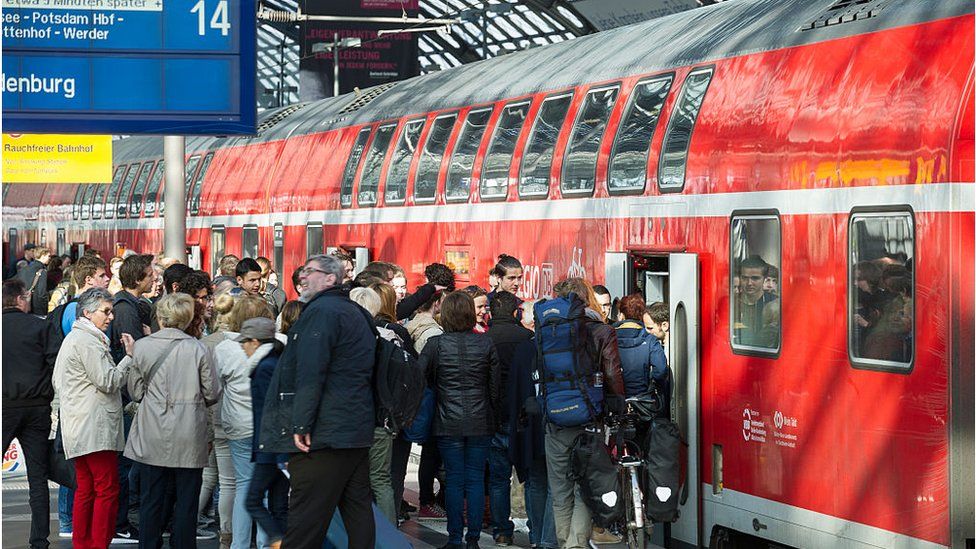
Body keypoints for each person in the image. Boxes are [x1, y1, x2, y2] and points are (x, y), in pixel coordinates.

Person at [259, 254, 377, 548]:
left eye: (310, 272)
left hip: (324, 434)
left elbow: (311, 373)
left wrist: (301, 423)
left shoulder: (321, 313)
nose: (302, 276)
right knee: (358, 513)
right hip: (354, 430)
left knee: (305, 520)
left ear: (330, 278)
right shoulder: (355, 312)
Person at [124, 293, 221, 549]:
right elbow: (212, 393)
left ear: (161, 316)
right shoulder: (199, 348)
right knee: (187, 501)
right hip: (190, 432)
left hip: (152, 432)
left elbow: (135, 391)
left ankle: (149, 544)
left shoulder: (143, 346)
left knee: (152, 499)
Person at [543, 278, 625, 549]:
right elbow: (612, 372)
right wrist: (616, 405)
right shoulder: (602, 331)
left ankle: (566, 543)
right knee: (584, 487)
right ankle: (576, 545)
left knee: (560, 490)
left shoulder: (547, 331)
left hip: (554, 420)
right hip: (589, 419)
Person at [53, 288, 135, 549]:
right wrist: (129, 358)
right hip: (94, 428)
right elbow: (108, 381)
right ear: (87, 313)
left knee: (87, 489)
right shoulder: (88, 341)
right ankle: (97, 544)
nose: (110, 317)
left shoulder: (76, 339)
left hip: (80, 427)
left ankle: (84, 544)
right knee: (106, 489)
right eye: (106, 311)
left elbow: (58, 381)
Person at [420, 291, 500, 549]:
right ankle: (473, 539)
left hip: (447, 421)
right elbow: (495, 388)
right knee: (475, 479)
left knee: (454, 480)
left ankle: (454, 538)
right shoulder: (486, 344)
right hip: (480, 420)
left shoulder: (436, 344)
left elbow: (421, 379)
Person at [215, 295, 275, 549]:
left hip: (238, 426)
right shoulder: (280, 344)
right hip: (271, 428)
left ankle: (238, 544)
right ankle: (265, 543)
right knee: (269, 489)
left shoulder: (224, 349)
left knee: (243, 486)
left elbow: (215, 390)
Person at [3, 278, 58, 549]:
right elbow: (55, 364)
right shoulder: (41, 326)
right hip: (37, 408)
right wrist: (44, 391)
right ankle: (39, 541)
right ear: (21, 299)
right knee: (38, 478)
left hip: (3, 408)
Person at [505, 302, 557, 549]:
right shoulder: (562, 348)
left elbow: (514, 391)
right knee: (557, 484)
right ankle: (548, 539)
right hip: (560, 422)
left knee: (536, 481)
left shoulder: (525, 350)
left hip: (531, 423)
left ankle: (537, 537)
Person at [485, 291, 533, 546]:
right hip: (524, 415)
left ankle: (502, 531)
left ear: (491, 313)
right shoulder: (527, 338)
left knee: (498, 478)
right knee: (532, 477)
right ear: (516, 313)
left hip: (495, 417)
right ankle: (536, 530)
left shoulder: (486, 340)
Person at [237, 318, 289, 549]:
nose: (242, 347)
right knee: (279, 505)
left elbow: (273, 411)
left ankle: (278, 541)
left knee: (253, 501)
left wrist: (275, 454)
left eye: (244, 342)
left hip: (270, 446)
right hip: (277, 447)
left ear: (255, 342)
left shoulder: (265, 367)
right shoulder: (276, 361)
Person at [349, 287, 398, 524]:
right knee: (381, 480)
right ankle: (390, 537)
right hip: (382, 418)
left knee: (353, 481)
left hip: (353, 419)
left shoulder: (349, 339)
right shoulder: (390, 338)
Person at [614, 294, 670, 400]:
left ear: (621, 315)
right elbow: (661, 370)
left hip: (615, 399)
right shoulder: (650, 340)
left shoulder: (609, 336)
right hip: (643, 399)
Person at [732, 256, 777, 347]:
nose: (749, 283)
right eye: (744, 278)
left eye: (755, 278)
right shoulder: (731, 303)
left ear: (764, 279)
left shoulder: (775, 304)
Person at [17, 245, 51, 315]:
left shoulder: (23, 270)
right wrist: (45, 311)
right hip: (37, 309)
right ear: (43, 255)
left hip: (23, 307)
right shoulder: (42, 271)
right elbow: (42, 294)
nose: (49, 258)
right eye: (48, 256)